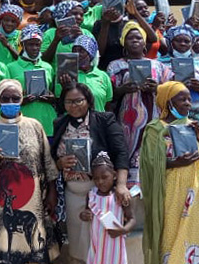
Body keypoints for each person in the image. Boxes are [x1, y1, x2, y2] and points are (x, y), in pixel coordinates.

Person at [0, 79, 59, 263]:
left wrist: (52, 191)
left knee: (33, 241)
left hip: (34, 199)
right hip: (0, 201)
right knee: (3, 242)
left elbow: (47, 161)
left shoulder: (35, 126)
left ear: (21, 99)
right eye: (5, 98)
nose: (10, 102)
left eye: (15, 97)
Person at [51, 83, 130, 264]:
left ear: (88, 101)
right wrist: (59, 163)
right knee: (78, 245)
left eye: (79, 100)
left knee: (101, 241)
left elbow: (121, 153)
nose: (74, 105)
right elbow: (52, 157)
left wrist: (121, 184)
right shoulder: (60, 123)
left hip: (99, 192)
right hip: (73, 193)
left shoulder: (104, 120)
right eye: (68, 101)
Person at [140, 82, 199, 264]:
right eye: (182, 99)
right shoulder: (155, 129)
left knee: (195, 233)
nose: (188, 103)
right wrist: (174, 163)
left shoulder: (193, 126)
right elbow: (148, 163)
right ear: (167, 102)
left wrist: (198, 137)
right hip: (170, 191)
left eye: (189, 99)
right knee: (171, 235)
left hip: (195, 191)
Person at [107, 22, 172, 186]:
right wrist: (123, 90)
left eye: (138, 37)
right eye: (130, 38)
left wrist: (157, 88)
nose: (134, 40)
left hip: (154, 121)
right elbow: (109, 97)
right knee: (127, 157)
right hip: (127, 124)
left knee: (153, 156)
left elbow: (173, 94)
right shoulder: (115, 66)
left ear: (144, 43)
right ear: (123, 42)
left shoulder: (158, 66)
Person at [79, 152, 135, 264]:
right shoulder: (91, 195)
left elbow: (132, 219)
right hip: (97, 244)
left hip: (115, 246)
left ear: (114, 175)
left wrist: (123, 230)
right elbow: (86, 212)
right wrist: (84, 215)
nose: (100, 182)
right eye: (96, 179)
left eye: (104, 177)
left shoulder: (119, 196)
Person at [160, 26, 199, 126]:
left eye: (186, 41)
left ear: (191, 44)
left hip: (196, 119)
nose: (182, 43)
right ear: (171, 43)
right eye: (178, 40)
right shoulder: (160, 64)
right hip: (168, 118)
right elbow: (155, 91)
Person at [7, 25, 57, 136]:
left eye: (37, 44)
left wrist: (51, 98)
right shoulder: (10, 68)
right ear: (23, 45)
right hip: (23, 118)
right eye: (30, 44)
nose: (34, 48)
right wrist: (20, 101)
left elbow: (53, 91)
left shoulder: (48, 67)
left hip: (46, 119)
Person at [54, 35, 113, 112]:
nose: (77, 54)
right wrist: (66, 88)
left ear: (90, 54)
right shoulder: (65, 75)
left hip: (98, 122)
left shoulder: (103, 76)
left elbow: (107, 105)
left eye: (81, 51)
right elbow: (60, 105)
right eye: (74, 51)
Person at [40, 0, 95, 68]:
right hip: (58, 76)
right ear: (63, 13)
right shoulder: (50, 33)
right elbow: (43, 60)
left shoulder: (87, 33)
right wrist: (56, 40)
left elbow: (94, 60)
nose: (79, 17)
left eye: (81, 15)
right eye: (74, 14)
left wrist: (81, 39)